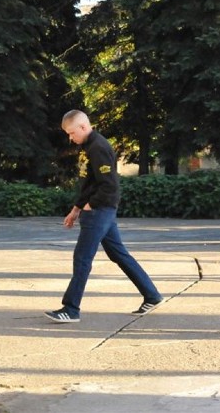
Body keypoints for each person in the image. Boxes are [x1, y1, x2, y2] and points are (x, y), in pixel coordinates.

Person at [45, 110, 163, 323]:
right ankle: (152, 295)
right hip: (99, 210)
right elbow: (89, 182)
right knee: (118, 253)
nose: (70, 138)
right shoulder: (88, 146)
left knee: (82, 258)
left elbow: (110, 186)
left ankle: (71, 309)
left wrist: (91, 205)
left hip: (100, 211)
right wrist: (76, 208)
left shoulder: (99, 147)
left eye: (71, 133)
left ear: (83, 127)